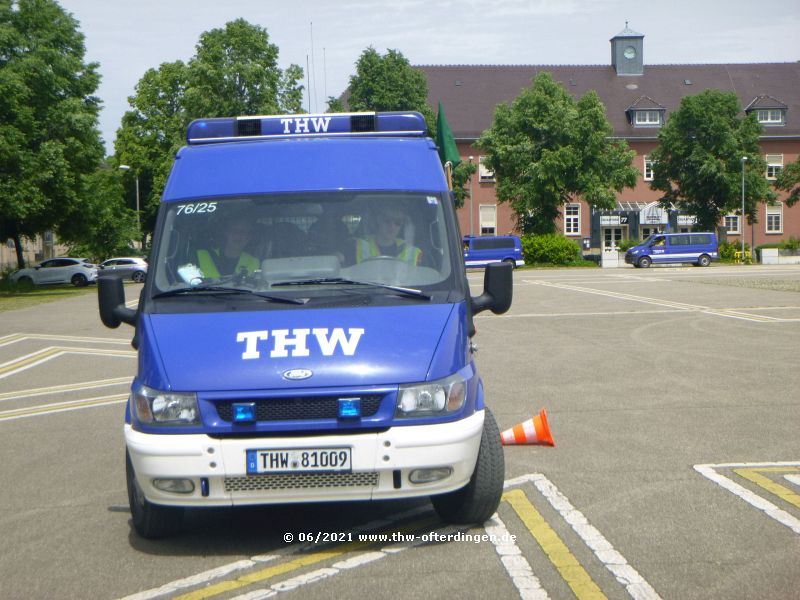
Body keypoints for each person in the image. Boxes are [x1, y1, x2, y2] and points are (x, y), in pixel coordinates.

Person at [196, 214, 260, 278]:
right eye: (234, 230)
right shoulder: (201, 255)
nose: (238, 235)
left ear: (249, 237)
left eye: (242, 232)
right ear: (227, 233)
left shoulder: (255, 263)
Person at [355, 205, 422, 265]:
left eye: (397, 222)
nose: (392, 226)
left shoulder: (411, 252)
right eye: (387, 220)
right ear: (379, 220)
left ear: (401, 225)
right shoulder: (358, 246)